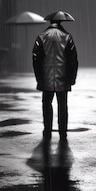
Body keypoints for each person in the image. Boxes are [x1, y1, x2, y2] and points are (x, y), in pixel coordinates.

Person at [32, 11, 78, 141]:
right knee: (62, 104)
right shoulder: (67, 37)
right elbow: (73, 60)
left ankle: (47, 130)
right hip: (63, 77)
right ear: (61, 22)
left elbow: (36, 59)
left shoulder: (41, 37)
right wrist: (72, 78)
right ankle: (62, 131)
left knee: (47, 103)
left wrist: (39, 77)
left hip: (46, 77)